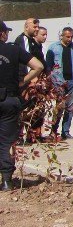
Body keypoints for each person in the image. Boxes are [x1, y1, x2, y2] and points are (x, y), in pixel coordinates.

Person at [1, 20, 45, 191]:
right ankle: (6, 180)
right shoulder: (13, 49)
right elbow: (38, 66)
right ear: (2, 34)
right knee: (5, 142)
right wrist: (22, 82)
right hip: (9, 99)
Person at [45, 26, 73, 139]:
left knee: (69, 108)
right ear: (62, 36)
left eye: (71, 36)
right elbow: (48, 66)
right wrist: (49, 81)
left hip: (72, 81)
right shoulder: (53, 48)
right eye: (67, 37)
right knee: (59, 107)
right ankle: (53, 131)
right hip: (59, 82)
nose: (69, 39)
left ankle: (65, 131)